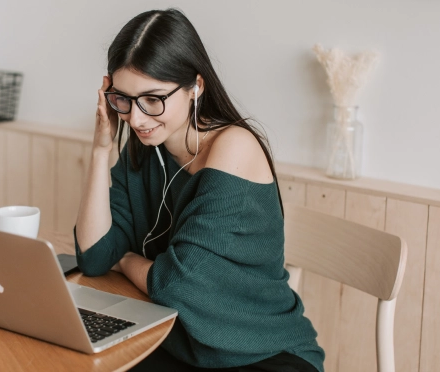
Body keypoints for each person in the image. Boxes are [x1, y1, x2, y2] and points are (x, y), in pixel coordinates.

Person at [73, 8, 325, 372]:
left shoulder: (234, 146)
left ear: (196, 87)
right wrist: (100, 149)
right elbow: (95, 257)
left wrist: (124, 258)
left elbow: (175, 283)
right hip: (179, 344)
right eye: (123, 99)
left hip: (262, 354)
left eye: (153, 99)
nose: (136, 118)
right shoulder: (145, 148)